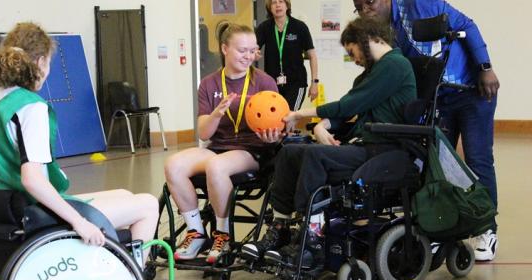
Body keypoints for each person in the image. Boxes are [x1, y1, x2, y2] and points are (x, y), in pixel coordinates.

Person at [0, 22, 159, 252]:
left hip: (4, 211)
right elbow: (32, 179)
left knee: (124, 194)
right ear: (41, 62)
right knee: (148, 204)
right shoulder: (29, 107)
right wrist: (79, 222)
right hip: (37, 214)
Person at [241, 17, 416, 265]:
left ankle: (309, 237)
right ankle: (279, 228)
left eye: (352, 51)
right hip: (359, 144)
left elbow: (351, 104)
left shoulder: (396, 65)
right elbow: (346, 112)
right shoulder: (368, 75)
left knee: (315, 155)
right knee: (290, 152)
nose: (353, 58)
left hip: (382, 149)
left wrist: (301, 114)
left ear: (365, 39)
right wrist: (322, 125)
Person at [353, 0, 500, 261]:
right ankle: (442, 227)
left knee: (477, 159)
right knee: (436, 164)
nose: (366, 9)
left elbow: (466, 25)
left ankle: (486, 229)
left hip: (471, 92)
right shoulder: (385, 32)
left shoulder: (418, 3)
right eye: (359, 6)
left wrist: (485, 67)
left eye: (369, 1)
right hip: (439, 99)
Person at [164, 23, 278, 263]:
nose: (248, 56)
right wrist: (217, 113)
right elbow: (205, 134)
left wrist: (274, 135)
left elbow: (277, 126)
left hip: (250, 151)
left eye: (252, 50)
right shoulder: (209, 84)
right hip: (217, 148)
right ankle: (195, 231)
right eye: (242, 50)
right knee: (173, 164)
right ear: (225, 49)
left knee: (217, 167)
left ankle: (222, 234)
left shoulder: (264, 82)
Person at [255, 0, 319, 111]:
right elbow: (253, 49)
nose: (278, 5)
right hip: (272, 84)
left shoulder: (300, 27)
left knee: (289, 116)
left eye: (281, 1)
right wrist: (253, 54)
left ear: (287, 5)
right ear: (269, 7)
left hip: (296, 83)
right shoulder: (264, 27)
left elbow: (312, 56)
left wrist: (314, 83)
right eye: (274, 2)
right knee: (273, 117)